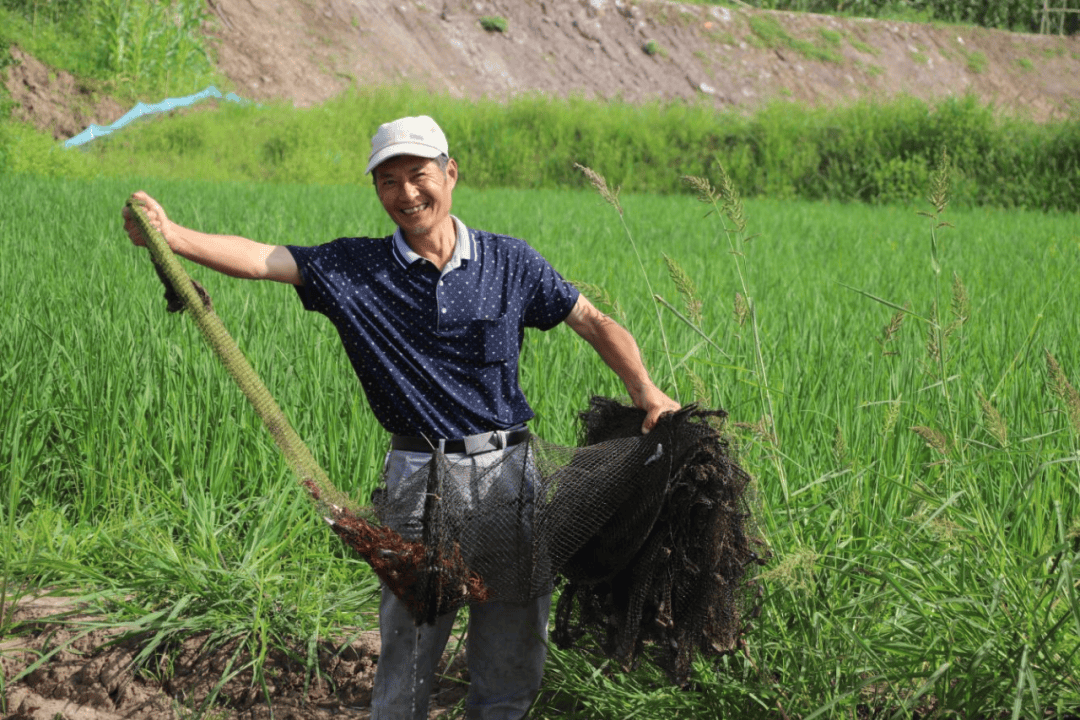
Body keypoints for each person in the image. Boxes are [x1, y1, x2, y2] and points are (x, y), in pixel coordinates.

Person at [123, 115, 680, 719]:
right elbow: (263, 259)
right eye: (389, 181)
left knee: (512, 657)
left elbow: (591, 320)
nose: (407, 194)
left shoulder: (510, 262)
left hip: (512, 477)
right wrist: (172, 235)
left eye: (418, 175)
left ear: (450, 173)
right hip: (419, 482)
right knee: (410, 660)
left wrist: (644, 388)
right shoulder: (357, 270)